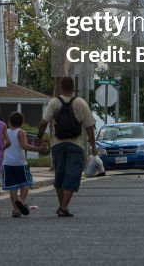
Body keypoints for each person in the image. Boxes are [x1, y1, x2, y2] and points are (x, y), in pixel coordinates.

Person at [37, 76, 97, 218]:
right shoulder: (81, 103)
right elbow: (89, 127)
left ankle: (62, 206)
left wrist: (40, 137)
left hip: (57, 144)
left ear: (61, 88)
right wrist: (93, 145)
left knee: (60, 175)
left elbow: (44, 122)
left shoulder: (54, 102)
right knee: (73, 176)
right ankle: (64, 207)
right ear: (73, 88)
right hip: (76, 145)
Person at [2, 111, 44, 217]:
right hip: (20, 163)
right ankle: (21, 200)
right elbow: (24, 146)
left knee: (12, 187)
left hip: (7, 163)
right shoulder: (21, 132)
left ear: (10, 122)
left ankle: (16, 210)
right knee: (27, 182)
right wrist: (38, 149)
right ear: (22, 122)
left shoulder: (6, 132)